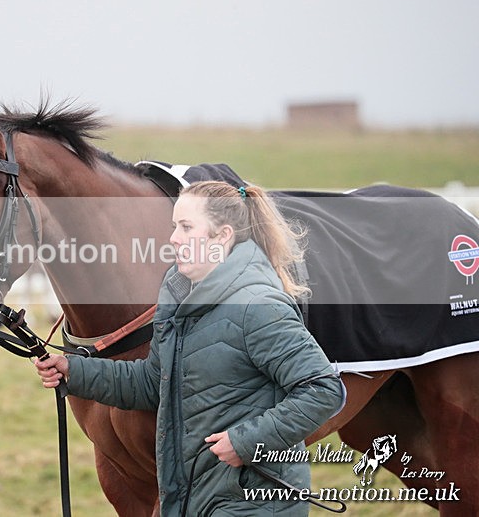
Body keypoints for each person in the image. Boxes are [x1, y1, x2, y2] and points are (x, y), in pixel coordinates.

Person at [35, 181, 344, 515]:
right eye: (174, 227)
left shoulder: (258, 306)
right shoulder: (180, 299)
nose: (173, 238)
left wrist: (245, 442)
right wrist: (76, 371)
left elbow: (323, 389)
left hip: (251, 503)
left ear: (222, 236)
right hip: (195, 501)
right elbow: (154, 383)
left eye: (185, 227)